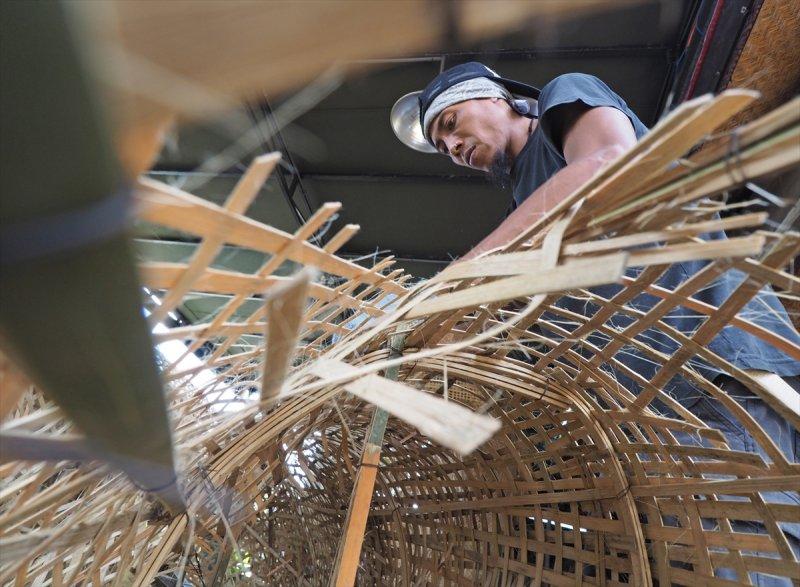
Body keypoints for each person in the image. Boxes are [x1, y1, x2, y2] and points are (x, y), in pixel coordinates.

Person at [391, 62, 800, 584]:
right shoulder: (526, 206)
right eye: (442, 145)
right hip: (651, 408)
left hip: (707, 364)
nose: (451, 146)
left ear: (499, 99)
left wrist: (461, 277)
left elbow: (610, 162)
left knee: (741, 553)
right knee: (712, 557)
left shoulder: (566, 98)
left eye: (451, 123)